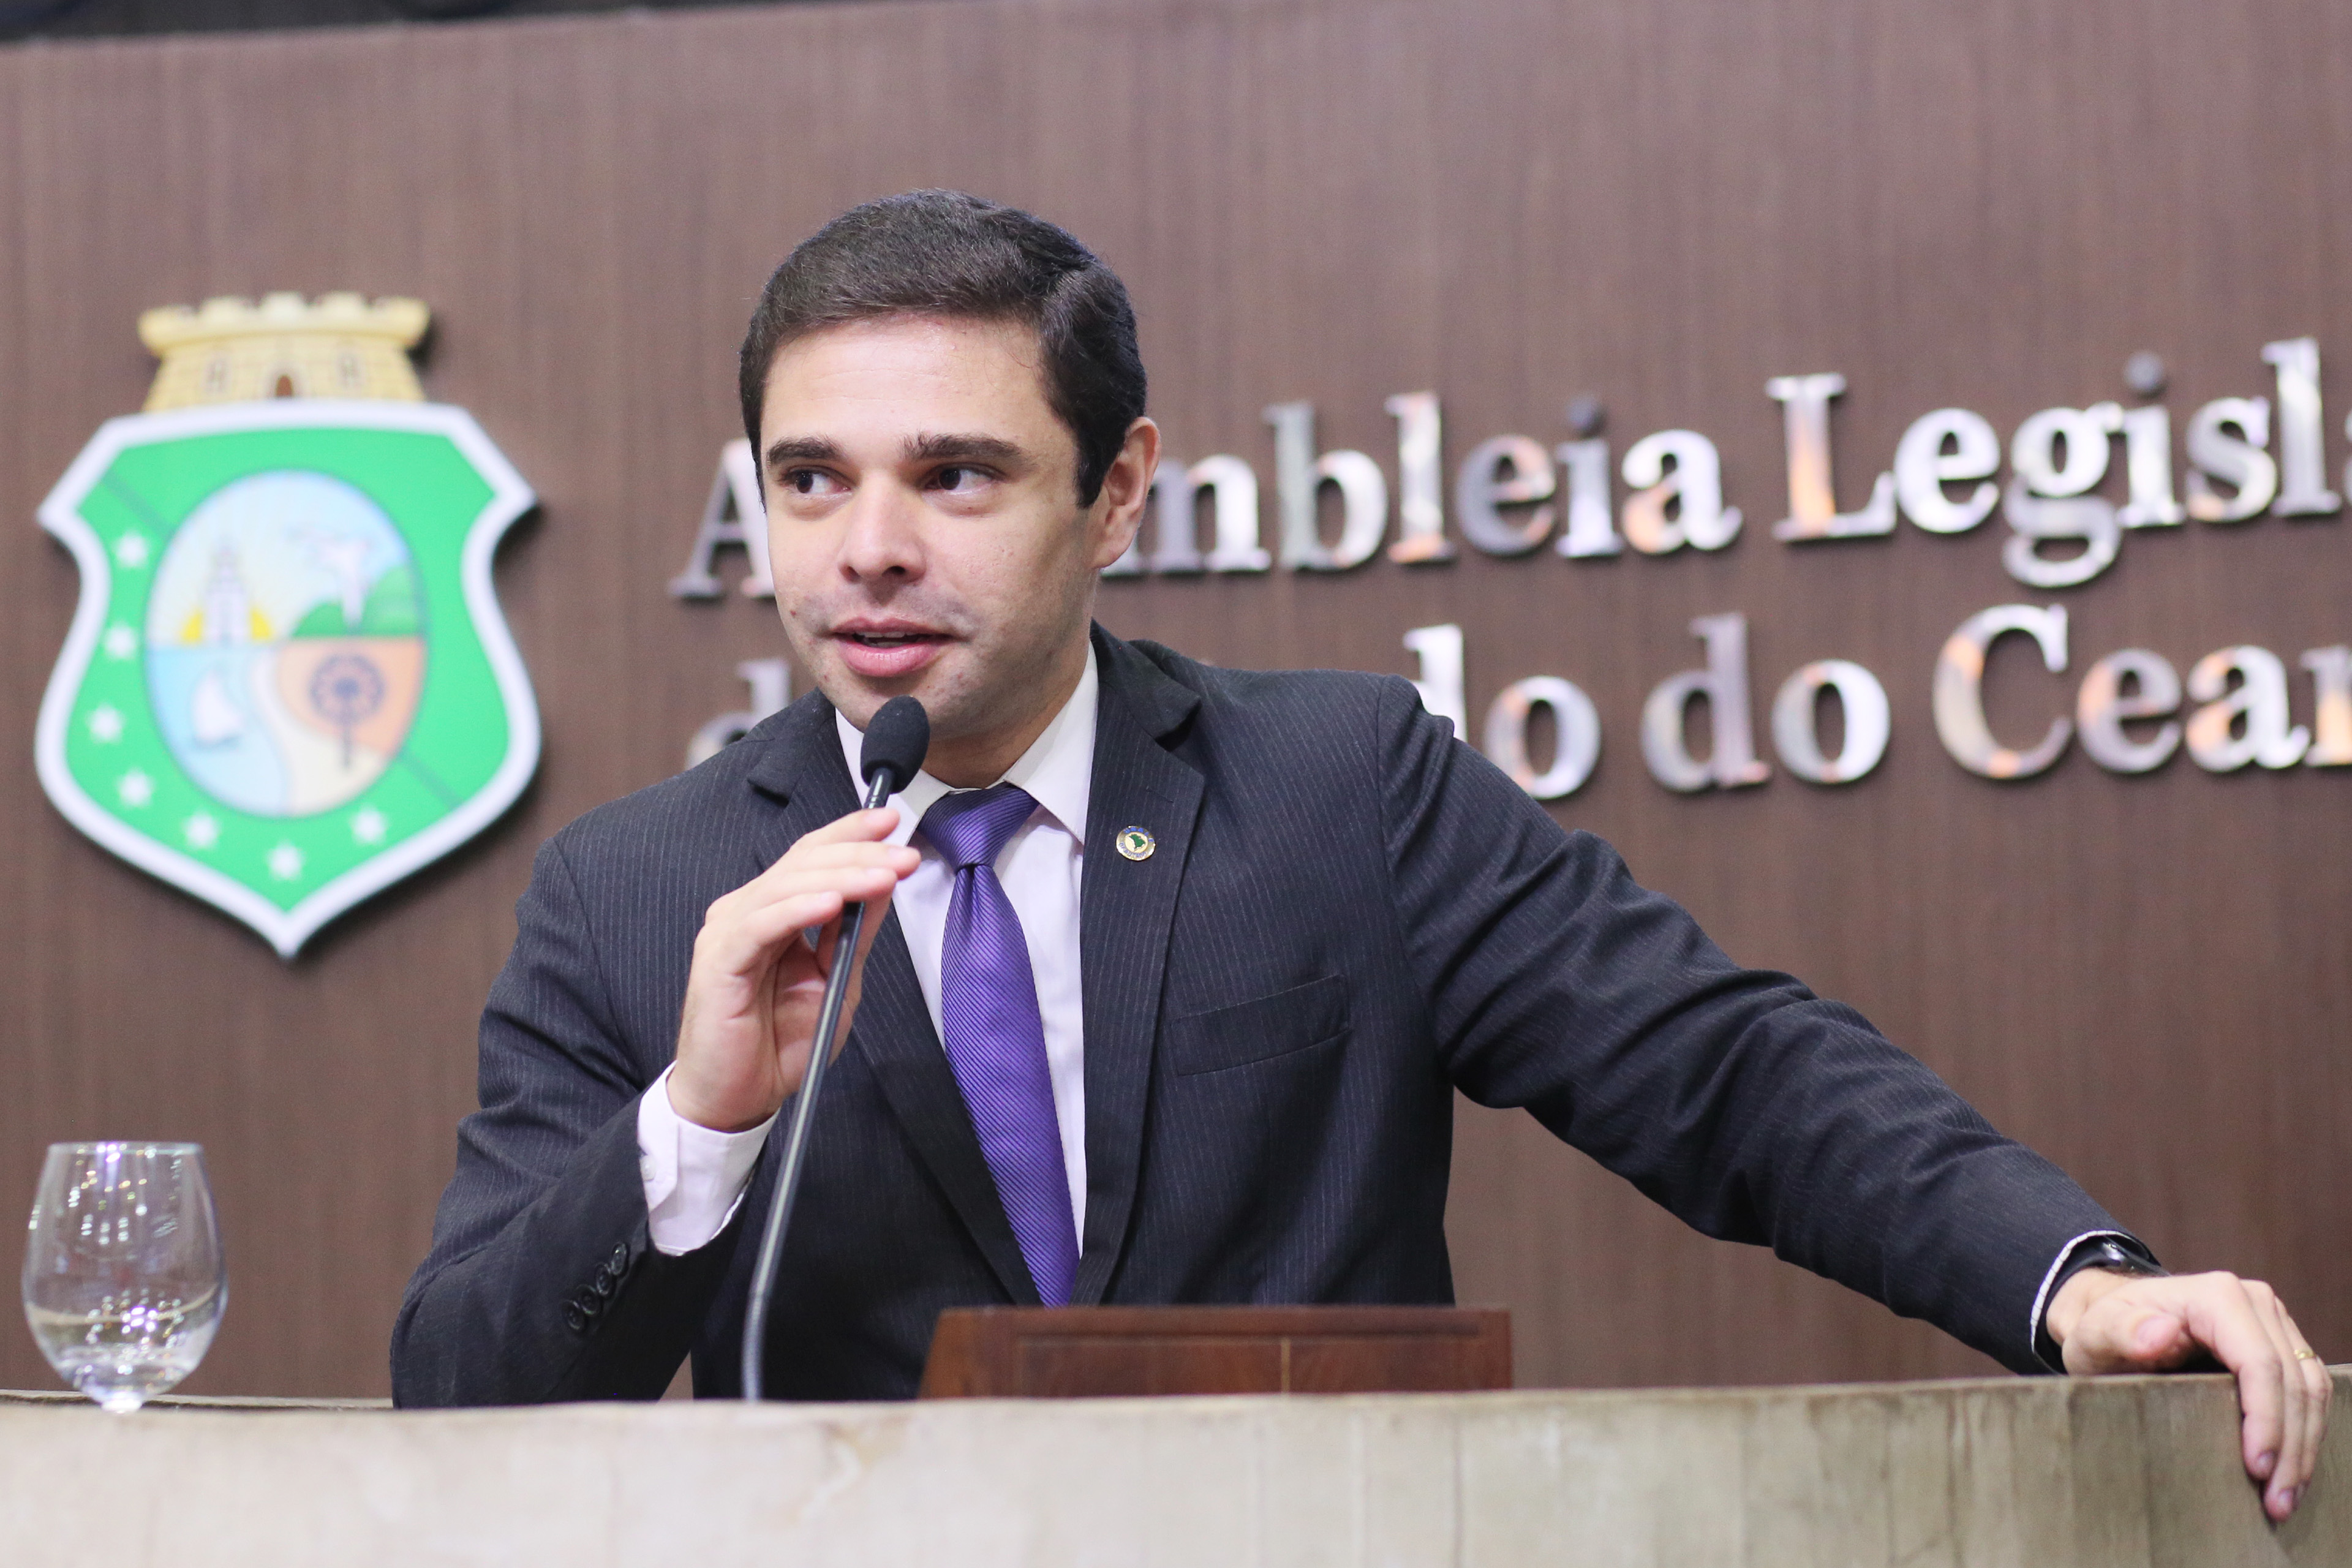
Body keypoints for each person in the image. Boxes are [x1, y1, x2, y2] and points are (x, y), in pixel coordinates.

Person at [393, 190, 2329, 1521]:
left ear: (1118, 492)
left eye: (955, 475)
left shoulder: (1340, 785)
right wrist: (697, 1128)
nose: (868, 548)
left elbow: (1721, 1068)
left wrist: (2068, 1281)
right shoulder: (639, 895)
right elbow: (456, 1402)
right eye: (810, 481)